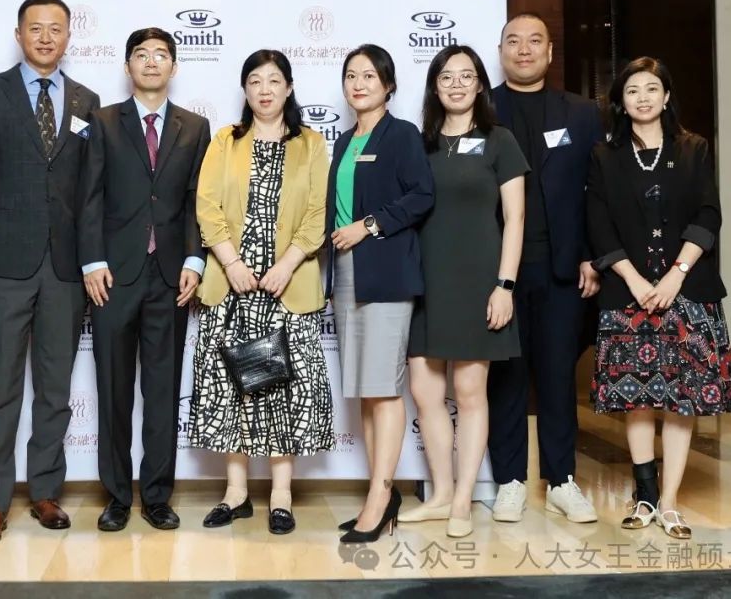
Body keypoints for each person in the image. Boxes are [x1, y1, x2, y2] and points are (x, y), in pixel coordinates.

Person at [0, 0, 100, 544]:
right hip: (5, 264)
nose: (46, 37)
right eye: (35, 28)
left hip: (65, 268)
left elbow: (90, 191)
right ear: (18, 34)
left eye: (56, 28)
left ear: (69, 36)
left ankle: (45, 492)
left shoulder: (87, 100)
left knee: (54, 388)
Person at [587, 56, 731, 539]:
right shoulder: (605, 155)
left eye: (652, 88)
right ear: (620, 100)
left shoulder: (694, 148)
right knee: (636, 398)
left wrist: (677, 274)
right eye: (632, 90)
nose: (643, 98)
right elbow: (598, 223)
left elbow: (708, 214)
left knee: (681, 400)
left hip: (687, 291)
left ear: (667, 95)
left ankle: (669, 501)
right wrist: (632, 280)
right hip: (627, 292)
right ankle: (645, 495)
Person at [190, 49, 334, 536]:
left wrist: (287, 265)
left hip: (287, 286)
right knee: (232, 383)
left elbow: (317, 212)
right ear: (245, 89)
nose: (265, 89)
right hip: (231, 283)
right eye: (255, 80)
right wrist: (231, 263)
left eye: (274, 80)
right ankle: (235, 493)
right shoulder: (225, 140)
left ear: (289, 88)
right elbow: (207, 205)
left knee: (284, 388)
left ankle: (281, 495)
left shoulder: (311, 143)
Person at [79, 27, 210, 532]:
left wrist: (195, 260)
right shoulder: (103, 121)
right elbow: (89, 195)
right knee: (113, 390)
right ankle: (116, 496)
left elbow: (197, 199)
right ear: (127, 66)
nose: (151, 62)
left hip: (170, 275)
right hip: (113, 275)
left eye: (160, 55)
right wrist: (92, 261)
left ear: (174, 66)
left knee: (162, 391)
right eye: (141, 54)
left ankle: (157, 495)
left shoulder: (194, 127)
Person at [401, 45, 528, 538]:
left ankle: (462, 501)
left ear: (479, 84)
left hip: (480, 281)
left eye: (466, 76)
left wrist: (505, 285)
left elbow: (515, 218)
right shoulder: (420, 143)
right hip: (426, 281)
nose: (456, 84)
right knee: (425, 392)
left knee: (471, 393)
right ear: (434, 87)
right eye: (446, 77)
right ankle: (440, 494)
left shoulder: (499, 140)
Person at [486, 13, 602, 523]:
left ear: (550, 52)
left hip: (563, 270)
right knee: (506, 379)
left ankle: (562, 480)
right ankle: (509, 480)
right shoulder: (481, 108)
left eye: (535, 41)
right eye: (513, 41)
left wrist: (592, 254)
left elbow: (598, 191)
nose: (524, 49)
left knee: (557, 377)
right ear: (500, 52)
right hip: (499, 272)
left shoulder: (581, 113)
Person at [327, 44, 435, 543]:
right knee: (366, 391)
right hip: (346, 272)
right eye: (351, 75)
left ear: (388, 85)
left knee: (384, 388)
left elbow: (422, 195)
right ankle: (380, 491)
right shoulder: (344, 140)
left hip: (386, 271)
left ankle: (380, 495)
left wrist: (368, 225)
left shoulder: (402, 134)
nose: (359, 83)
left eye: (369, 75)